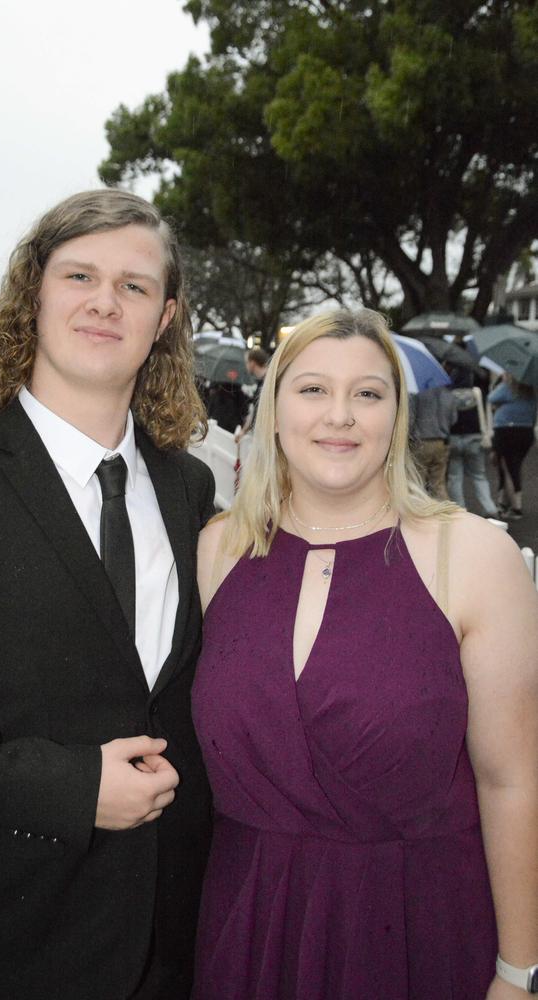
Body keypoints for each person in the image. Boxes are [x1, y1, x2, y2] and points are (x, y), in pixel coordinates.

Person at [0, 189, 215, 1000]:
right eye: (79, 276)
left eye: (134, 286)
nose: (106, 302)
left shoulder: (189, 487)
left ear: (165, 317)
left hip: (182, 935)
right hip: (15, 946)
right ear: (34, 292)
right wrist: (72, 789)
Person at [192, 309, 538, 999]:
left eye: (369, 394)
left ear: (397, 414)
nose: (340, 416)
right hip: (250, 927)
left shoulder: (472, 555)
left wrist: (519, 970)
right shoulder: (219, 548)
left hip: (421, 929)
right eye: (314, 389)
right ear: (274, 407)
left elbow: (514, 780)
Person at [446, 366, 500, 518]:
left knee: (455, 477)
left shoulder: (449, 395)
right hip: (475, 438)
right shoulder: (477, 393)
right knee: (479, 475)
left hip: (454, 439)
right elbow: (486, 413)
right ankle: (490, 509)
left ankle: (460, 511)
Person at [489, 373, 537, 520]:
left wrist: (503, 381)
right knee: (515, 466)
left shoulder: (508, 387)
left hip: (505, 430)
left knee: (508, 468)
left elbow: (490, 398)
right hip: (526, 431)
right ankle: (505, 502)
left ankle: (516, 507)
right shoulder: (532, 390)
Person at [408, 381, 458, 499]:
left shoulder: (416, 394)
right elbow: (454, 419)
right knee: (438, 484)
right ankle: (445, 515)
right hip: (441, 442)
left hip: (421, 442)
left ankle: (419, 515)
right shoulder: (448, 394)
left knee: (418, 484)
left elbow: (411, 418)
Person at [234, 346, 270, 442]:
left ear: (253, 363)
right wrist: (243, 431)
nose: (246, 366)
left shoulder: (270, 381)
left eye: (247, 362)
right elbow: (255, 411)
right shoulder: (262, 381)